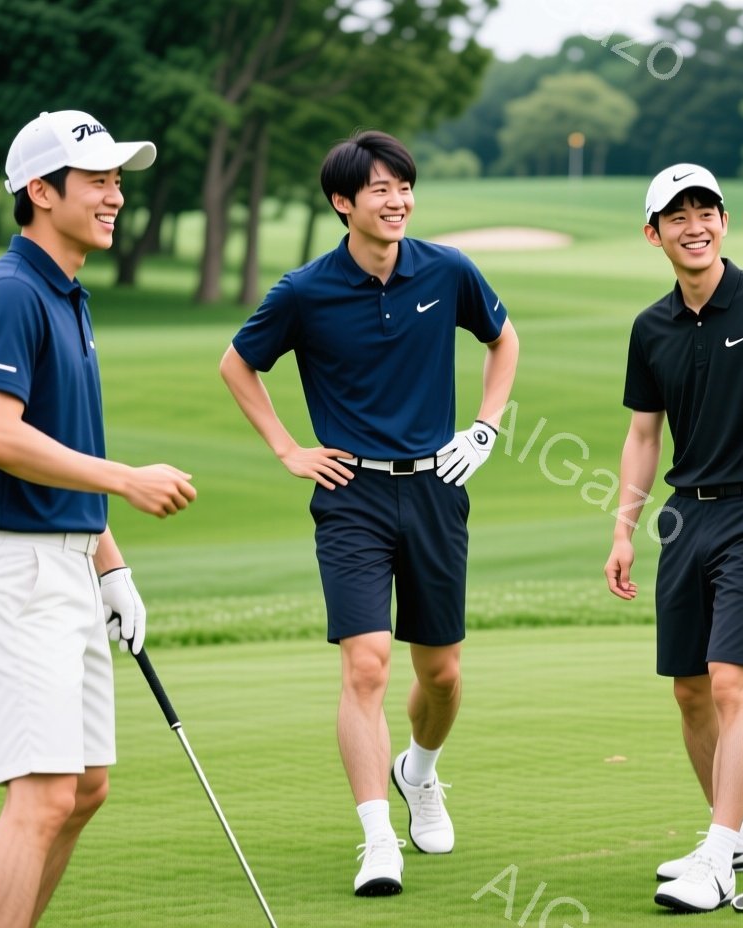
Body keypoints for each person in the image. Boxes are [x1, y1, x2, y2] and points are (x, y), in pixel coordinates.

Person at [219, 130, 519, 898]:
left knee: (442, 674)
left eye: (404, 187)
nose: (397, 201)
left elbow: (502, 338)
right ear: (342, 203)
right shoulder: (304, 291)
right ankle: (376, 838)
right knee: (366, 664)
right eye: (380, 190)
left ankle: (419, 771)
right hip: (350, 495)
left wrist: (484, 427)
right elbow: (237, 362)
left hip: (435, 489)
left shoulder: (445, 269)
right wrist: (289, 448)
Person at [0, 109, 197, 928]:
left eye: (119, 180)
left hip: (68, 564)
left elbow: (62, 446)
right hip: (15, 573)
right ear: (41, 191)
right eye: (98, 181)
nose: (116, 196)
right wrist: (127, 480)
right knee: (43, 796)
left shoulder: (66, 295)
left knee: (82, 790)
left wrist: (110, 566)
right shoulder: (10, 292)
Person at [604, 164, 743, 914]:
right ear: (653, 233)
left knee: (733, 683)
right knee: (690, 691)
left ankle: (719, 853)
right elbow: (643, 434)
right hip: (684, 519)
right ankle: (733, 837)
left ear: (724, 221)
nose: (694, 224)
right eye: (677, 215)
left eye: (706, 210)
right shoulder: (651, 327)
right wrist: (624, 531)